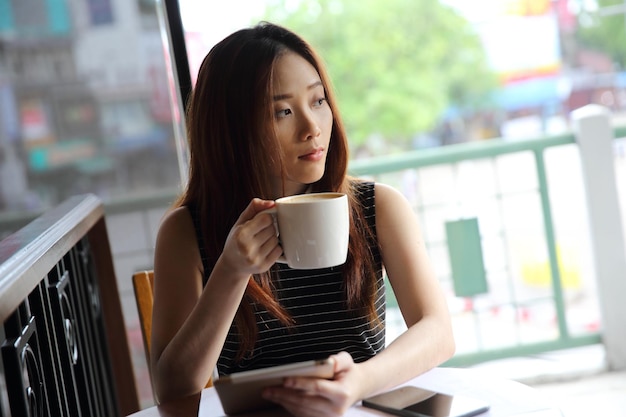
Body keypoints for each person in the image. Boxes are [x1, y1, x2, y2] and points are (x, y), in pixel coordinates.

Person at [151, 21, 455, 416]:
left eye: (317, 100)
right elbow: (174, 388)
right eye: (283, 111)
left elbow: (438, 332)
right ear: (231, 129)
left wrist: (358, 381)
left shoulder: (377, 207)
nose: (312, 128)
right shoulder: (187, 231)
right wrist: (231, 270)